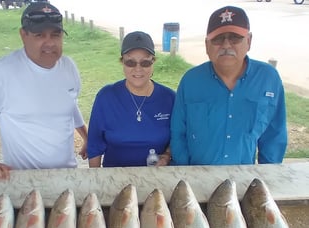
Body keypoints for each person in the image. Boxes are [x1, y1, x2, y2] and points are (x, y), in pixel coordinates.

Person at [0, 1, 88, 180]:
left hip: (66, 176)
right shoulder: (0, 73)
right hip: (22, 180)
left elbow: (70, 103)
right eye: (40, 35)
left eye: (56, 35)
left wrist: (87, 137)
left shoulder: (69, 68)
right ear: (23, 35)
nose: (50, 43)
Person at [170, 6, 287, 165]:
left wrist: (266, 177)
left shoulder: (268, 79)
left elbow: (274, 136)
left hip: (244, 180)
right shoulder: (190, 81)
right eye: (218, 39)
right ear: (206, 45)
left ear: (249, 41)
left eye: (234, 37)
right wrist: (185, 176)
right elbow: (178, 134)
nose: (226, 45)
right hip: (196, 180)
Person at [87, 31, 175, 167]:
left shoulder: (170, 98)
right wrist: (97, 182)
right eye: (130, 62)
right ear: (122, 62)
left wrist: (167, 155)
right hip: (115, 178)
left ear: (153, 62)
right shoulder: (106, 97)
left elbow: (178, 136)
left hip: (157, 176)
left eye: (145, 62)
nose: (138, 69)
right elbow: (94, 145)